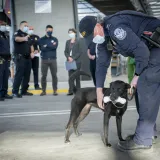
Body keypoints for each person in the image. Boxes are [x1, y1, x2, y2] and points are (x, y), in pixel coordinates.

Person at [79, 11, 160, 151]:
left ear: (98, 25)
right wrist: (99, 91)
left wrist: (136, 76)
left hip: (155, 48)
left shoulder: (115, 28)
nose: (95, 39)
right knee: (143, 88)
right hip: (152, 49)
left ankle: (143, 139)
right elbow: (101, 64)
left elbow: (142, 53)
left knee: (145, 84)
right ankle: (148, 133)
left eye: (94, 35)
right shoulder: (103, 38)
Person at [12, 21, 34, 98]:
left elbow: (31, 45)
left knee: (27, 75)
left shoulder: (27, 35)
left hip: (28, 58)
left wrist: (32, 52)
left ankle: (24, 90)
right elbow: (17, 39)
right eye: (25, 26)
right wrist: (24, 38)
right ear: (21, 26)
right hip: (20, 57)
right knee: (19, 75)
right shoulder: (17, 33)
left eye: (27, 26)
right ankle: (15, 91)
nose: (27, 27)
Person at [38, 25, 58, 96]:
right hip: (44, 60)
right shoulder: (41, 39)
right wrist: (50, 45)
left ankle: (55, 90)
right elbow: (42, 48)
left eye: (51, 30)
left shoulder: (55, 39)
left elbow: (54, 47)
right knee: (43, 76)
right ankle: (43, 91)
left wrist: (46, 45)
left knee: (54, 75)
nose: (50, 31)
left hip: (53, 59)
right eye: (48, 30)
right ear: (45, 30)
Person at [64, 28, 82, 95]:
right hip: (69, 61)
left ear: (75, 33)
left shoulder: (78, 41)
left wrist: (73, 58)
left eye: (71, 32)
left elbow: (80, 52)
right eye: (69, 32)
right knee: (70, 77)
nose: (70, 34)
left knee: (77, 77)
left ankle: (78, 91)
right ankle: (71, 90)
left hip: (76, 61)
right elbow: (65, 51)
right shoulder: (67, 42)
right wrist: (68, 57)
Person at [0, 20, 13, 101]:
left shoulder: (6, 35)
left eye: (5, 24)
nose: (4, 26)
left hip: (6, 59)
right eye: (2, 24)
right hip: (0, 58)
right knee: (0, 77)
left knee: (5, 76)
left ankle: (4, 92)